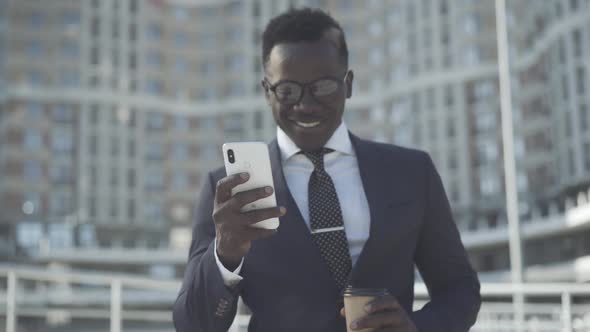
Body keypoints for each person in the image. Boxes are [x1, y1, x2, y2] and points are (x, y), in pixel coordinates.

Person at [173, 7, 481, 332]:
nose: (305, 105)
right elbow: (192, 324)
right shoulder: (227, 190)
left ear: (348, 84)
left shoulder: (412, 173)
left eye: (322, 87)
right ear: (267, 91)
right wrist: (224, 255)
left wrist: (418, 329)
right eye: (288, 90)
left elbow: (459, 290)